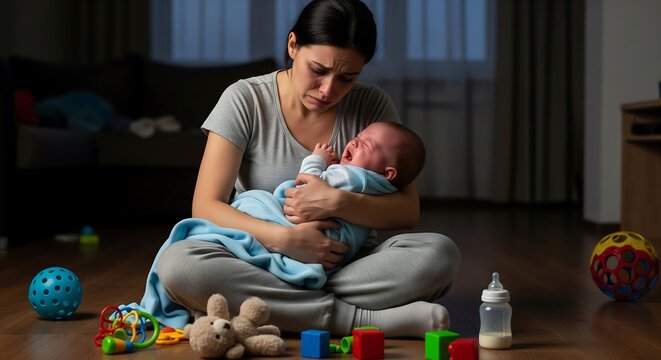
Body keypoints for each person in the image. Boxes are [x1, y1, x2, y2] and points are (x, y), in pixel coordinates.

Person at [141, 0, 460, 339]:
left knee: (440, 255)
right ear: (293, 45)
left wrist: (334, 202)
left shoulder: (371, 104)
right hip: (257, 258)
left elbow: (407, 211)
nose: (328, 90)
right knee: (178, 265)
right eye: (318, 70)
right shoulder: (245, 99)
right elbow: (205, 206)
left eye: (347, 78)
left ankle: (275, 308)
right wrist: (287, 240)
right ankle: (362, 319)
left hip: (344, 263)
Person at [231, 121, 426, 277]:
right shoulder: (381, 187)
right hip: (335, 257)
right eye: (358, 137)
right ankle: (343, 307)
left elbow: (305, 187)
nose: (355, 142)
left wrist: (318, 159)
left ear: (387, 173)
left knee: (253, 199)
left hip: (316, 236)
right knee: (203, 265)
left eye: (366, 144)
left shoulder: (355, 176)